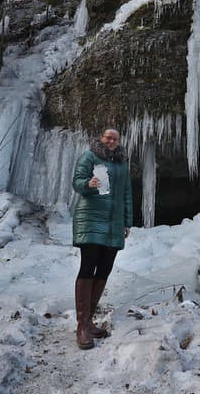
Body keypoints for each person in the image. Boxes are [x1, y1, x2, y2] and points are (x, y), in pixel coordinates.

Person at [71, 127, 133, 349]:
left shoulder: (122, 165)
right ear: (101, 138)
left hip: (113, 223)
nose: (111, 141)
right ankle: (81, 326)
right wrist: (88, 184)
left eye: (114, 138)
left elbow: (126, 193)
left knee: (105, 269)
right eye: (107, 137)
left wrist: (127, 221)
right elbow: (77, 181)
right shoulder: (89, 156)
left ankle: (88, 321)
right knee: (88, 267)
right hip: (90, 219)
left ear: (118, 141)